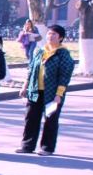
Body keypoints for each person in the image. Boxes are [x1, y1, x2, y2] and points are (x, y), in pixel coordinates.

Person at [16, 25, 74, 156]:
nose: (50, 36)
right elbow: (31, 70)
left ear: (60, 37)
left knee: (50, 120)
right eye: (49, 34)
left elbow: (64, 76)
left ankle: (47, 148)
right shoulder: (40, 51)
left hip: (52, 94)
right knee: (31, 118)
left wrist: (59, 95)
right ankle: (27, 146)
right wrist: (25, 86)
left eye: (54, 34)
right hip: (35, 91)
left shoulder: (63, 54)